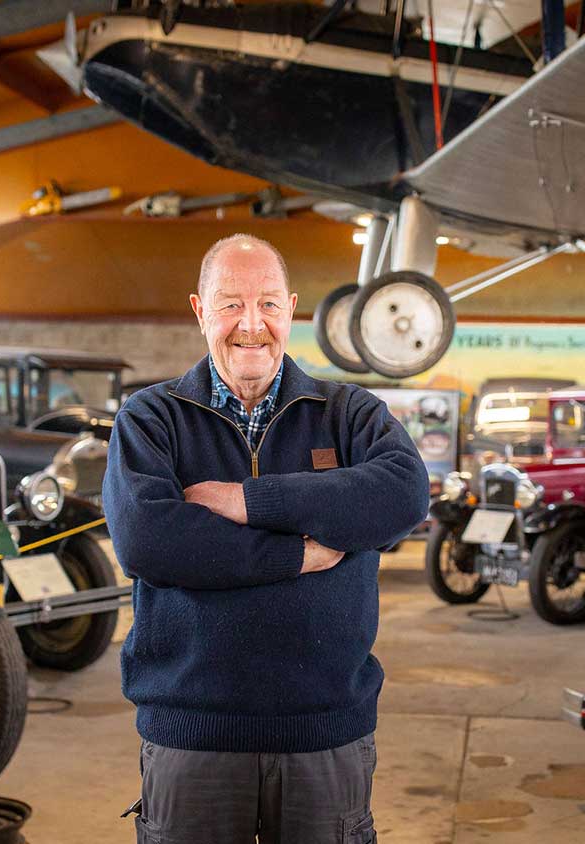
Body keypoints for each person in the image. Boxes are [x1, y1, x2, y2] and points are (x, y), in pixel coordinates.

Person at [103, 234, 431, 843]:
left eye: (268, 304)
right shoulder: (151, 418)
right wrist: (296, 552)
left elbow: (402, 496)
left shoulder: (349, 412)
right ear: (200, 311)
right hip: (193, 736)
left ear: (292, 310)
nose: (251, 325)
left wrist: (245, 500)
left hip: (324, 735)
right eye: (230, 304)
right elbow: (150, 540)